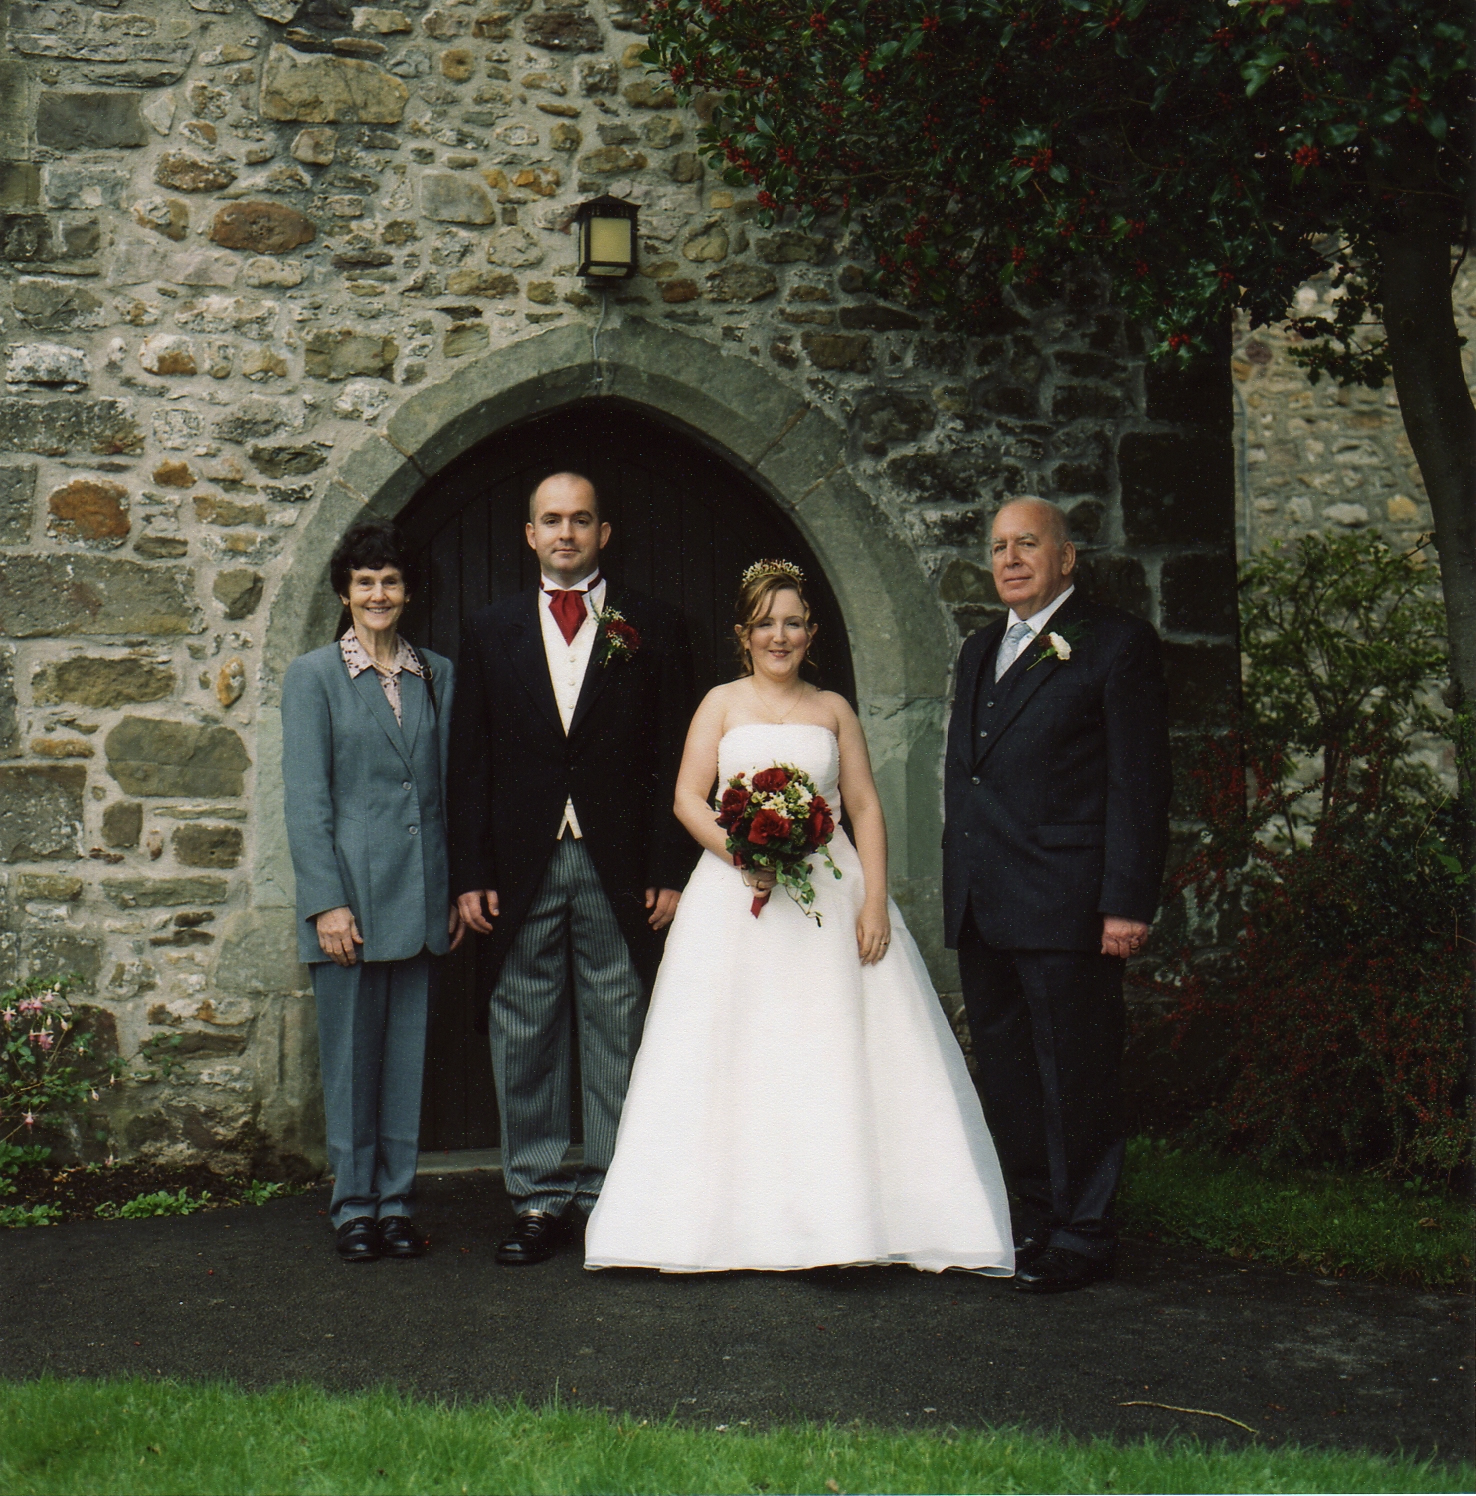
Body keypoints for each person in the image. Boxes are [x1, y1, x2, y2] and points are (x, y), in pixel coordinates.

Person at [584, 561, 1013, 1275]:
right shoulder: (720, 703)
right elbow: (688, 797)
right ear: (743, 634)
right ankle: (726, 1224)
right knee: (733, 1050)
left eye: (792, 623)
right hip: (736, 901)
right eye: (764, 624)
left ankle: (840, 1226)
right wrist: (740, 852)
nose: (778, 637)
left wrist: (874, 900)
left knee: (828, 1051)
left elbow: (865, 806)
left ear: (811, 634)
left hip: (828, 896)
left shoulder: (833, 709)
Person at [447, 472, 695, 1266]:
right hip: (520, 865)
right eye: (551, 521)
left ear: (603, 533)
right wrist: (470, 872)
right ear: (530, 535)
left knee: (619, 1023)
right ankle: (538, 1197)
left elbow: (676, 755)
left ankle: (614, 1198)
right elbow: (469, 759)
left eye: (580, 520)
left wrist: (670, 867)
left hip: (618, 863)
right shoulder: (489, 629)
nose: (565, 533)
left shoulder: (652, 625)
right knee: (523, 1028)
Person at [943, 496, 1171, 1294]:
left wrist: (1127, 901)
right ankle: (1035, 1218)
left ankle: (1085, 1233)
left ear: (1066, 558)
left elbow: (1139, 782)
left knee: (1075, 1071)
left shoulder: (1116, 644)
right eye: (998, 547)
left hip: (1067, 899)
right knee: (1008, 1073)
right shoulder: (980, 649)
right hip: (986, 899)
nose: (1009, 559)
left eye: (1027, 544)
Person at [281, 519, 461, 1263]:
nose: (378, 594)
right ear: (345, 593)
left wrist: (451, 891)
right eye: (364, 582)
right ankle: (353, 1206)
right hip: (349, 906)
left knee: (405, 1065)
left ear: (408, 590)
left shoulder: (436, 674)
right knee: (352, 1065)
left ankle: (396, 1205)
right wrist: (326, 902)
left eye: (390, 580)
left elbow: (447, 793)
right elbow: (306, 801)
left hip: (420, 902)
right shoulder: (314, 676)